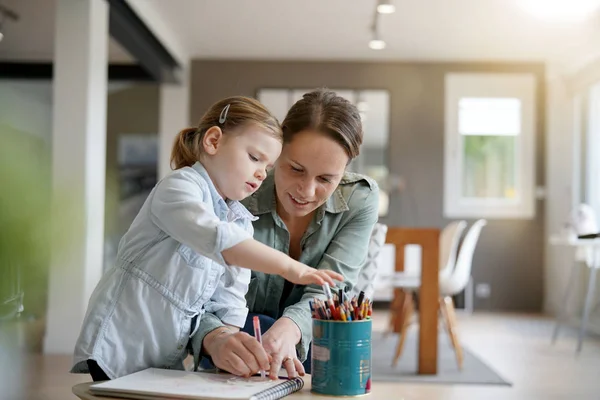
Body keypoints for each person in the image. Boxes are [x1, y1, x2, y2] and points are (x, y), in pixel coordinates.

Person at [70, 96, 343, 381]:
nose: (262, 173)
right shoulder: (178, 188)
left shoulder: (241, 223)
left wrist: (233, 345)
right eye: (254, 157)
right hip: (120, 345)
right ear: (213, 141)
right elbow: (219, 240)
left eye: (268, 167)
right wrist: (289, 267)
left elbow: (230, 301)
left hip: (166, 356)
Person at [199, 89, 379, 379]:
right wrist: (213, 338)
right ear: (278, 148)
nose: (306, 192)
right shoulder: (236, 187)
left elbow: (333, 287)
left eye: (325, 179)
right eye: (295, 169)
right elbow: (194, 289)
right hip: (233, 342)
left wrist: (290, 327)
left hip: (309, 341)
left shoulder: (360, 199)